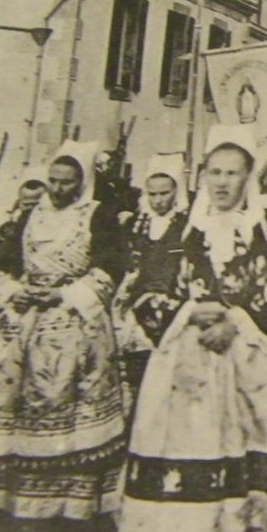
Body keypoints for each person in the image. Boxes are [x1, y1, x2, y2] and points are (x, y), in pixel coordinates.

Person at [116, 126, 267, 532]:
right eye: (214, 172)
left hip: (255, 361)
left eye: (233, 172)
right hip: (190, 365)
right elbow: (148, 288)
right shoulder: (182, 231)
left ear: (249, 176)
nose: (222, 182)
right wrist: (192, 312)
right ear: (203, 175)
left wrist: (239, 322)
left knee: (257, 455)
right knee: (191, 451)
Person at [0, 141, 127, 522]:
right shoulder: (30, 216)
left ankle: (70, 499)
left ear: (83, 183)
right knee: (6, 395)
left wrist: (64, 294)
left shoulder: (99, 216)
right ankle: (8, 497)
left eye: (67, 183)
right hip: (23, 319)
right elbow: (0, 263)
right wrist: (14, 290)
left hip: (72, 319)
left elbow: (110, 268)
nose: (57, 189)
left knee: (65, 396)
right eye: (53, 181)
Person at [110, 155, 189, 405]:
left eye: (164, 193)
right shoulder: (135, 224)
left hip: (172, 306)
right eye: (152, 194)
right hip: (135, 306)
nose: (158, 200)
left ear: (176, 191)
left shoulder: (186, 226)